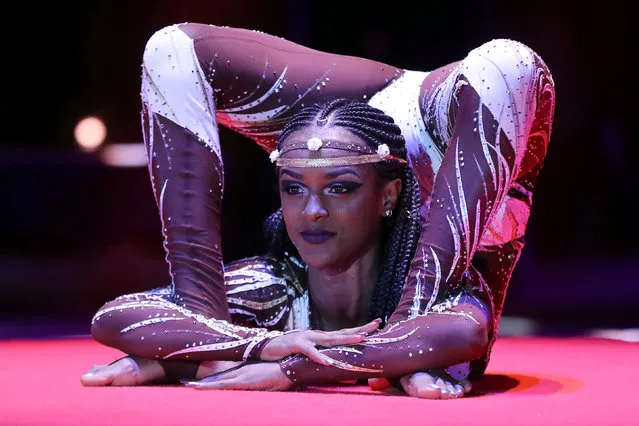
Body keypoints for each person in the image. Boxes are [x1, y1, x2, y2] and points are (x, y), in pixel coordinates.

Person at [80, 22, 555, 399]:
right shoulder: (279, 288)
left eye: (337, 192)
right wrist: (237, 346)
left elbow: (459, 336)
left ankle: (204, 341)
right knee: (169, 48)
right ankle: (205, 331)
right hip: (355, 136)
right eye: (291, 191)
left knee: (508, 63)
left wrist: (291, 367)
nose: (312, 213)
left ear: (386, 197)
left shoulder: (440, 288)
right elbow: (113, 317)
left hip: (442, 142)